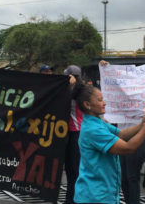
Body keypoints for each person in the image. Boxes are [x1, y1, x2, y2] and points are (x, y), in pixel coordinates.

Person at [73, 84, 145, 204]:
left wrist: (143, 123)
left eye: (103, 99)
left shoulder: (97, 122)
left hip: (102, 194)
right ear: (87, 105)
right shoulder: (93, 129)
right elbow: (128, 148)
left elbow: (121, 134)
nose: (104, 103)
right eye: (99, 100)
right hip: (95, 197)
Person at [63, 65, 83, 204]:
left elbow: (75, 98)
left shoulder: (81, 91)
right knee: (70, 170)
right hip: (67, 133)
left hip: (77, 133)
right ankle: (69, 199)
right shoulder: (66, 90)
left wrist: (73, 85)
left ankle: (74, 200)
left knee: (75, 171)